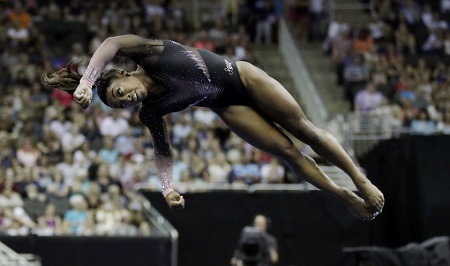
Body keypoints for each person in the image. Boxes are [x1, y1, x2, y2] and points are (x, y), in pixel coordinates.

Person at [42, 34, 384, 220]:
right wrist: (167, 187)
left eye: (121, 93)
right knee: (287, 154)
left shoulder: (152, 54)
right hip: (227, 105)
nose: (127, 99)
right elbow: (162, 150)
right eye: (121, 105)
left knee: (305, 131)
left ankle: (361, 180)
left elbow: (112, 43)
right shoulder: (151, 110)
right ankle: (344, 197)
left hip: (243, 77)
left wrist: (87, 80)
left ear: (122, 74)